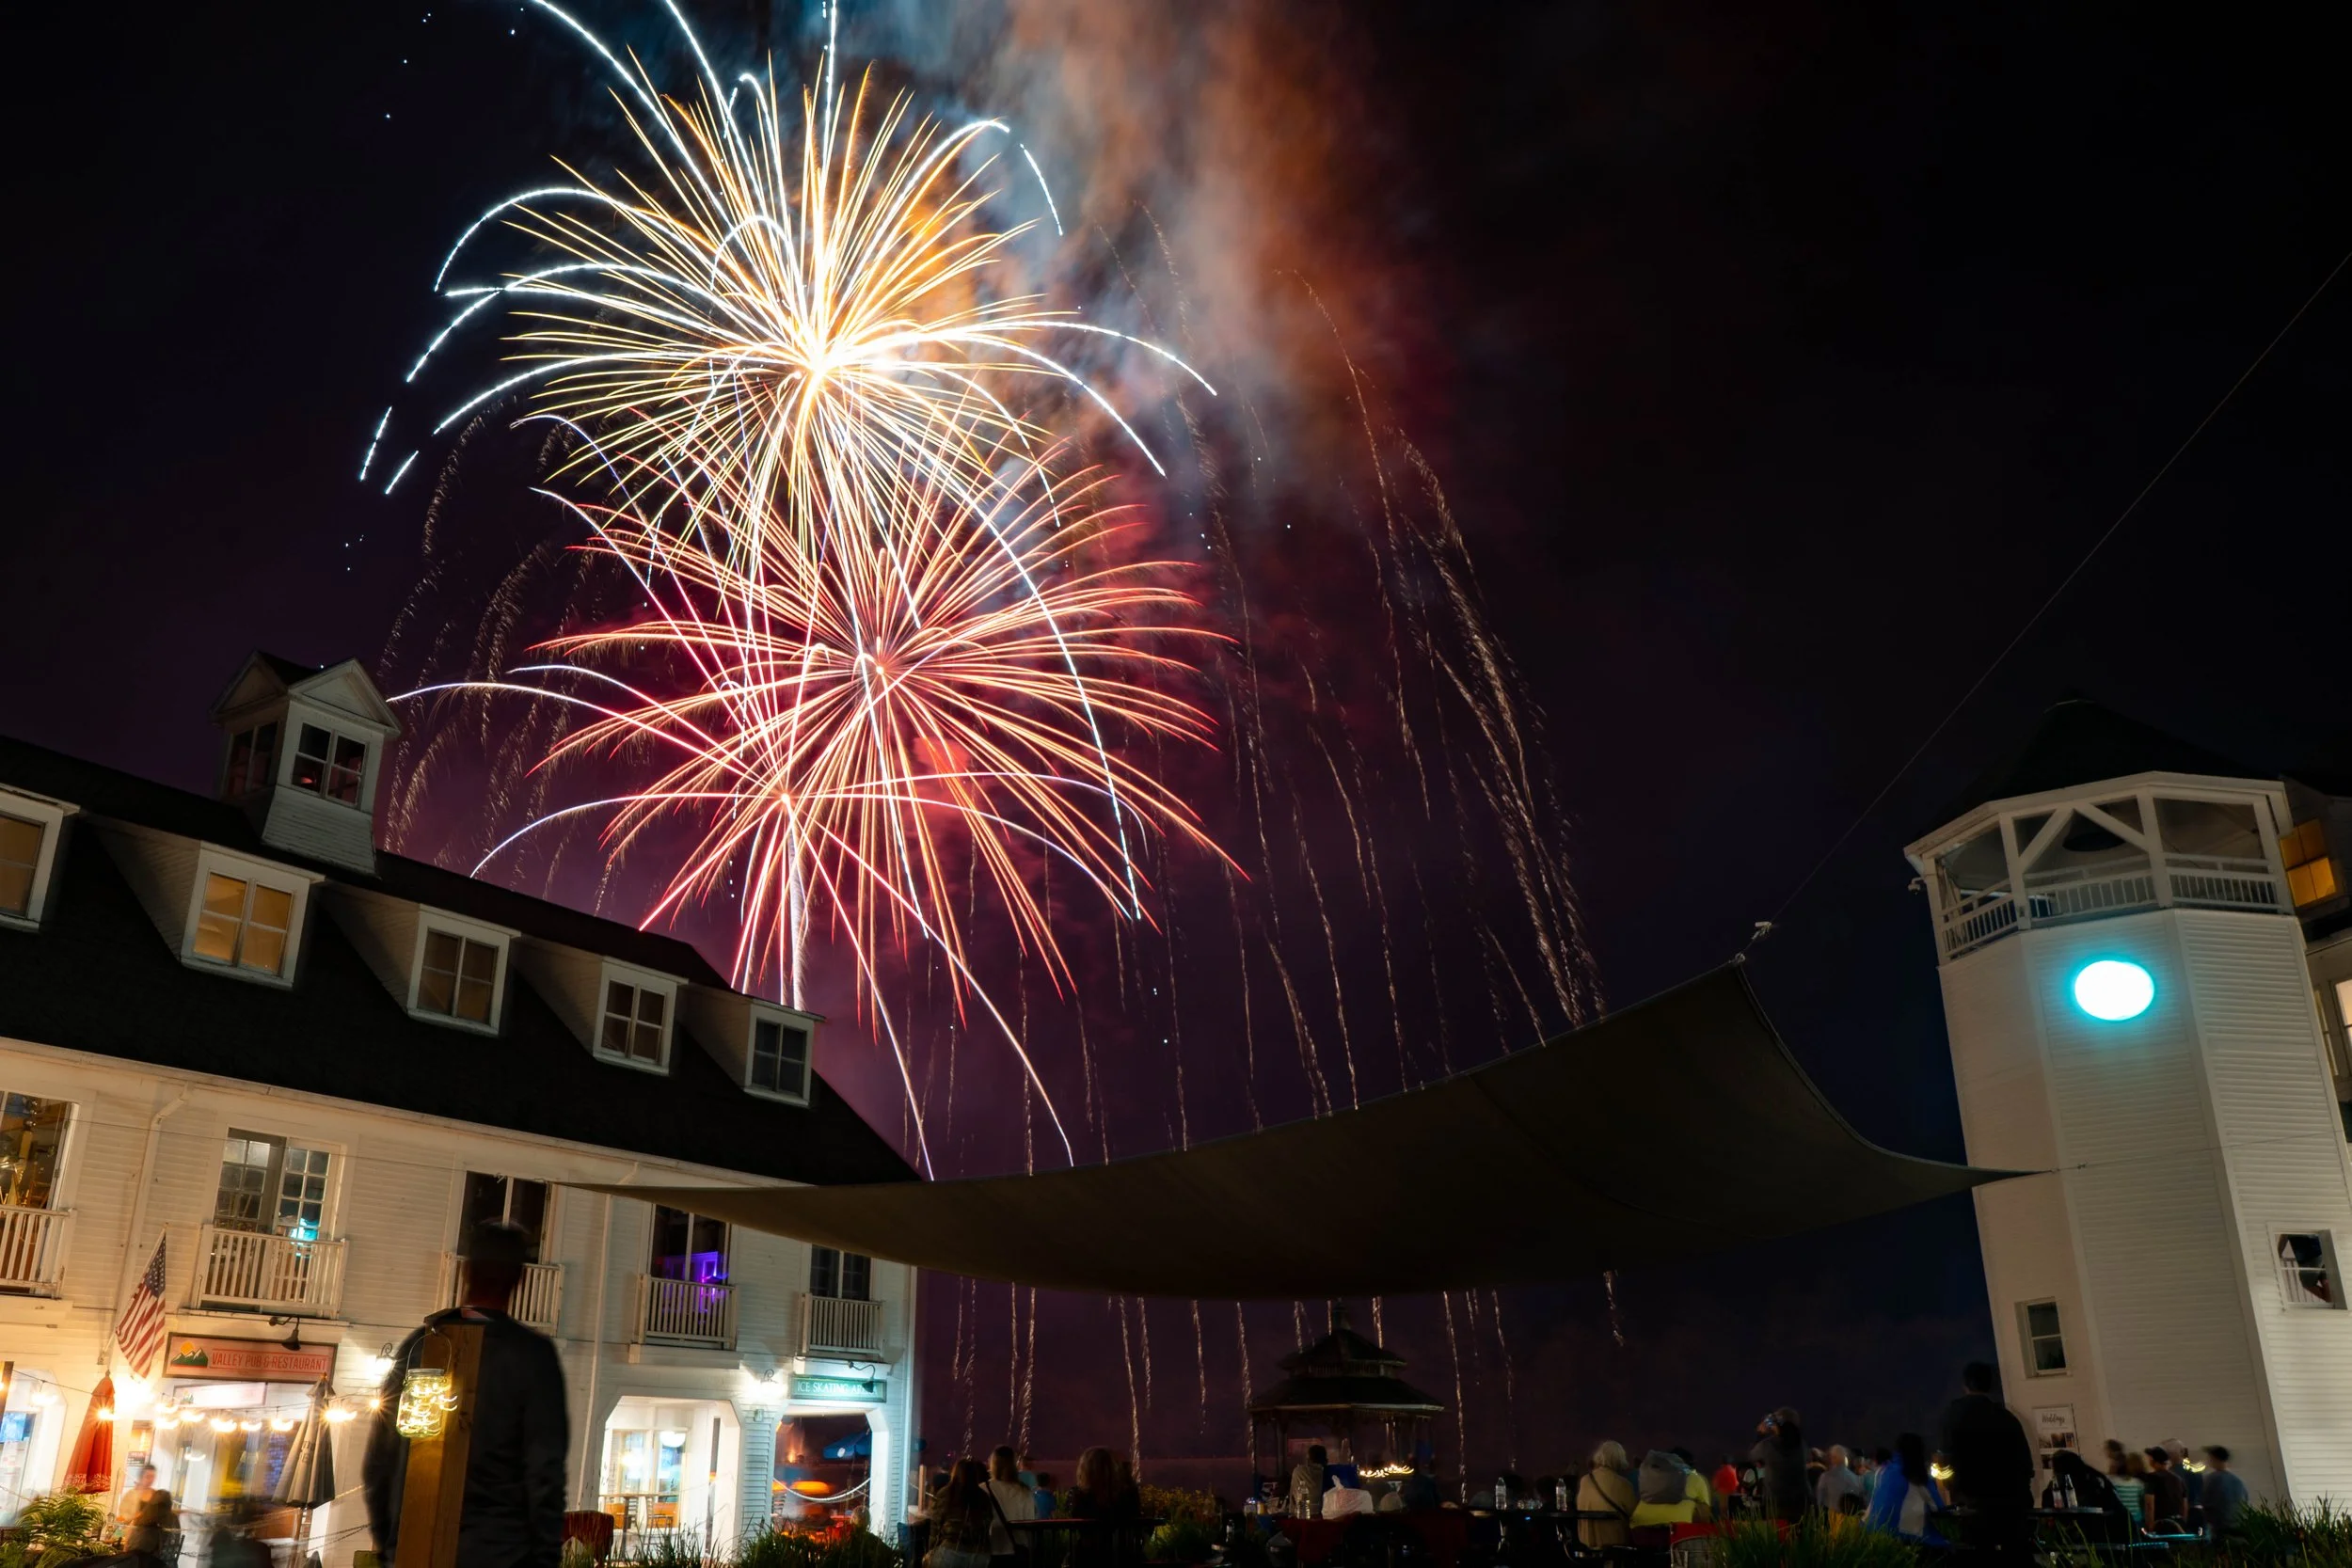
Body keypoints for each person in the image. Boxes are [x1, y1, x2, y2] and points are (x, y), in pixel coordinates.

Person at [364, 1220, 569, 1568]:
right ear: (519, 1279)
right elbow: (544, 1470)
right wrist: (545, 1557)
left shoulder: (420, 1345)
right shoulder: (532, 1355)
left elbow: (379, 1461)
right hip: (503, 1553)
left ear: (466, 1271)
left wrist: (391, 1546)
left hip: (416, 1547)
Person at [1939, 1362, 2033, 1555]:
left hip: (1973, 1506)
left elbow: (1946, 1461)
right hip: (2011, 1505)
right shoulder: (2006, 1418)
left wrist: (1953, 1489)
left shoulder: (1953, 1416)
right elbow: (2025, 1465)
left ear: (1965, 1385)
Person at [1864, 1433, 1947, 1544]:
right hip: (1906, 1538)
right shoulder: (1918, 1476)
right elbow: (1938, 1507)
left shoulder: (1883, 1472)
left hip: (1872, 1533)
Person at [927, 1460, 997, 1568]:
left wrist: (931, 1551)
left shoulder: (946, 1493)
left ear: (954, 1473)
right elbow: (988, 1523)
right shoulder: (983, 1496)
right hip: (979, 1553)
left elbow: (935, 1526)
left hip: (950, 1550)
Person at [1749, 1409, 1808, 1523]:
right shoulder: (1802, 1446)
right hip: (1800, 1504)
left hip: (1776, 1506)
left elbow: (1751, 1455)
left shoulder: (1768, 1445)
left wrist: (1760, 1434)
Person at [1576, 1442, 1636, 1548]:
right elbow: (1633, 1514)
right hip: (1615, 1544)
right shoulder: (1624, 1484)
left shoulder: (1585, 1480)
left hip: (1587, 1543)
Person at [986, 1446, 1037, 1562]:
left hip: (993, 1548)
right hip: (1018, 1550)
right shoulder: (1024, 1491)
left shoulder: (984, 1489)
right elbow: (1030, 1523)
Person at [115, 1465, 173, 1558]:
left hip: (151, 1539)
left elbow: (163, 1513)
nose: (150, 1480)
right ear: (141, 1477)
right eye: (148, 1476)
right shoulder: (131, 1494)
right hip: (133, 1537)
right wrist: (118, 1535)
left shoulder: (156, 1495)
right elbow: (120, 1517)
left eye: (153, 1477)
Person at [2201, 1448, 2249, 1541]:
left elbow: (2205, 1502)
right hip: (2239, 1526)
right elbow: (2245, 1501)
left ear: (2214, 1459)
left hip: (2220, 1529)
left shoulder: (2211, 1479)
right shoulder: (2238, 1481)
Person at [2142, 1448, 2187, 1527]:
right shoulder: (2178, 1479)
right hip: (2178, 1523)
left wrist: (2150, 1526)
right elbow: (2185, 1505)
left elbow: (2149, 1505)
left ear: (2153, 1461)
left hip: (2161, 1524)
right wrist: (2183, 1523)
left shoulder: (2152, 1477)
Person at [1817, 1447, 1867, 1516]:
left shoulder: (1825, 1477)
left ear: (1833, 1458)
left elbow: (1819, 1500)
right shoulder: (1855, 1478)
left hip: (1831, 1516)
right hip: (1848, 1518)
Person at [2107, 1449, 2147, 1528]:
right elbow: (2142, 1501)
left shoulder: (2113, 1482)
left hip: (2119, 1518)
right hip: (2136, 1518)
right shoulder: (2138, 1483)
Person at [1290, 1444, 1329, 1519]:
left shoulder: (1298, 1472)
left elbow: (1293, 1497)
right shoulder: (1330, 1473)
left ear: (1308, 1460)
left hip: (1302, 1516)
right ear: (1326, 1460)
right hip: (1325, 1516)